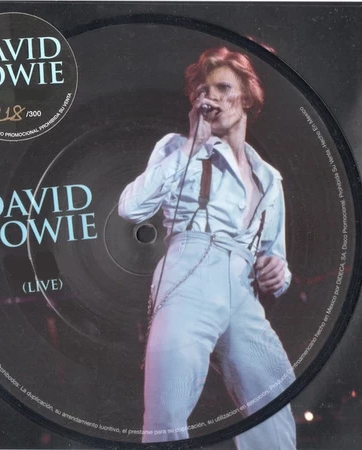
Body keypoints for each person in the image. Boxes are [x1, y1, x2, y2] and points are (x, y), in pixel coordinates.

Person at [119, 47, 296, 449]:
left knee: (273, 407)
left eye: (223, 88)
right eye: (203, 90)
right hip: (190, 273)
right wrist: (192, 145)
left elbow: (276, 258)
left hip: (244, 291)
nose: (211, 97)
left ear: (247, 96)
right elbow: (131, 208)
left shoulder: (269, 178)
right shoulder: (177, 148)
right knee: (166, 414)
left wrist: (277, 271)